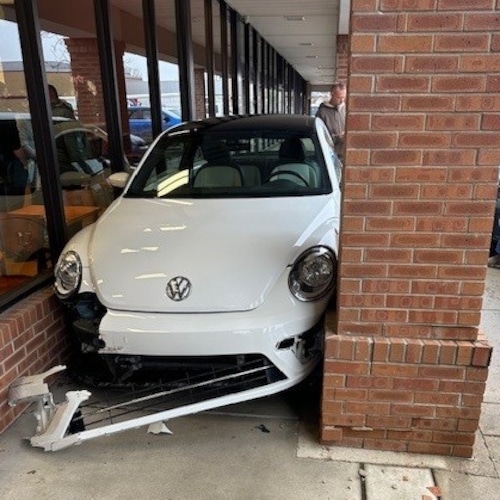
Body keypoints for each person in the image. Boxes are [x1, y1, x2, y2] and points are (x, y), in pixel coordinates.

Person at [315, 82, 347, 158]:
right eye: (339, 97)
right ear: (332, 94)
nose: (342, 101)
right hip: (329, 153)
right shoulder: (322, 112)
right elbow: (319, 133)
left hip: (345, 152)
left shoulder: (346, 110)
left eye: (343, 97)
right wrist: (337, 137)